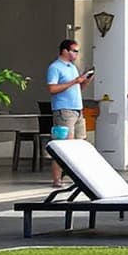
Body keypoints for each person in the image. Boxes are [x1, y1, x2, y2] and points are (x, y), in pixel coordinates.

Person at [45, 36, 93, 185]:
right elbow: (52, 88)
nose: (76, 54)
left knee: (79, 144)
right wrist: (74, 81)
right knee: (64, 145)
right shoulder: (55, 67)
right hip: (64, 110)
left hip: (77, 109)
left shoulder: (73, 67)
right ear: (64, 51)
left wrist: (85, 81)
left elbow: (77, 87)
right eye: (74, 51)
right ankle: (57, 179)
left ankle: (75, 176)